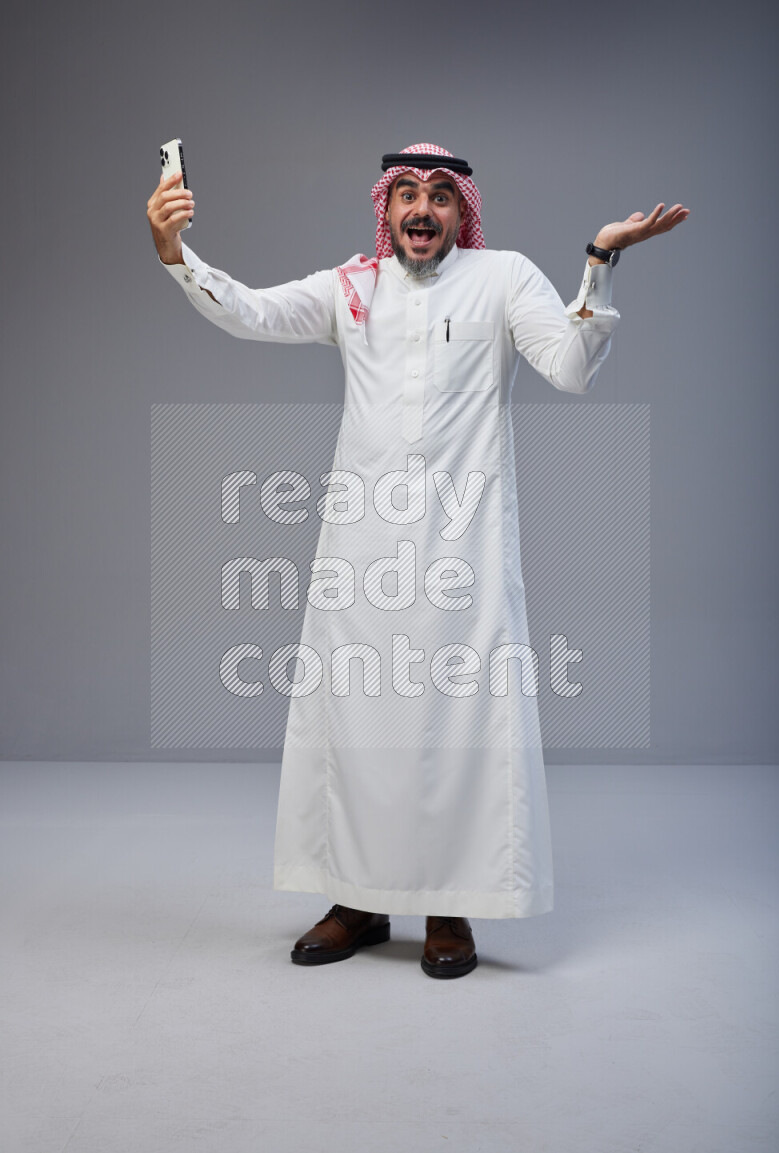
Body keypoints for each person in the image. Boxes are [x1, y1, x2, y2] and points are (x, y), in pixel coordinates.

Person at [147, 143, 689, 980]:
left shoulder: (503, 277)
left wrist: (601, 259)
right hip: (358, 551)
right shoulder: (350, 287)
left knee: (461, 725)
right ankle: (356, 900)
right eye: (407, 194)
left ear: (461, 209)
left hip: (463, 549)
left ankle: (448, 908)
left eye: (440, 194)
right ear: (385, 207)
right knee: (357, 721)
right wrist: (174, 253)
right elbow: (250, 311)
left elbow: (573, 369)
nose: (423, 209)